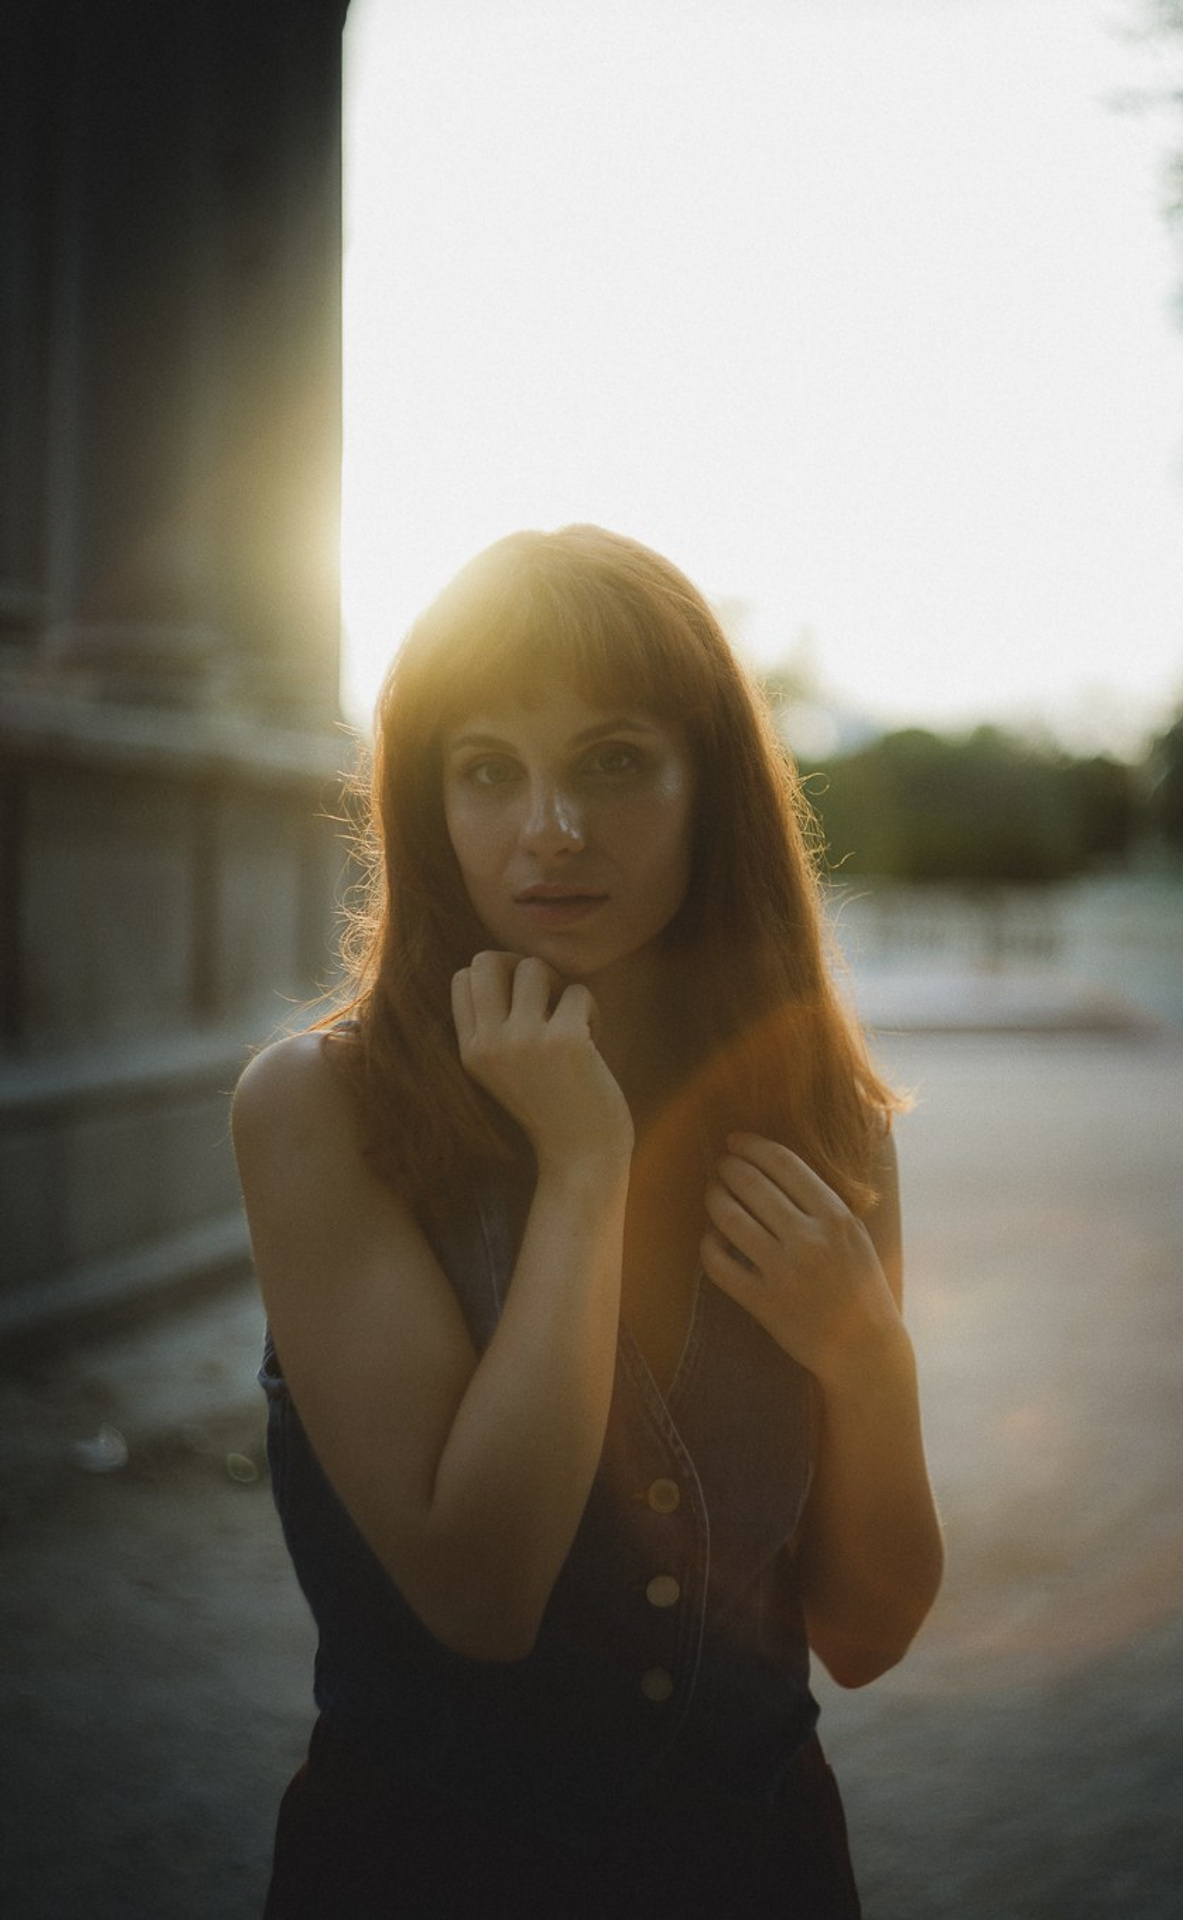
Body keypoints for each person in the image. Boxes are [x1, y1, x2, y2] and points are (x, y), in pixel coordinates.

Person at [231, 524, 943, 1919]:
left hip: (764, 1876)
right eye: (488, 770)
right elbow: (482, 1596)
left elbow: (867, 1636)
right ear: (430, 805)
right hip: (423, 1880)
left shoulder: (826, 1118)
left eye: (614, 761)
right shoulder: (321, 1107)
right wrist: (584, 1166)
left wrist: (869, 1359)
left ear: (710, 786)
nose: (549, 827)